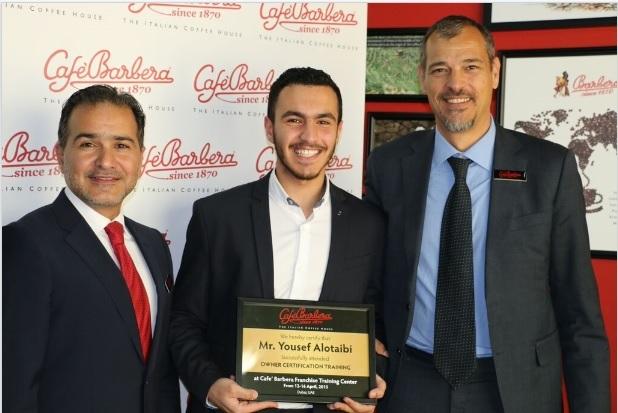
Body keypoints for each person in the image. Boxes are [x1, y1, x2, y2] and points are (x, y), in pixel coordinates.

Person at [365, 15, 609, 413]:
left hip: (516, 390)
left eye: (470, 67)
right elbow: (369, 280)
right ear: (422, 77)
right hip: (411, 386)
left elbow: (579, 312)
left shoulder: (550, 169)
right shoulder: (389, 166)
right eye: (440, 69)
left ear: (494, 72)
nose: (455, 84)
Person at [169, 67, 386, 413]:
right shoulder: (217, 216)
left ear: (339, 130)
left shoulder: (369, 224)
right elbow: (183, 320)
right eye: (294, 120)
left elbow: (379, 328)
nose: (309, 136)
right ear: (270, 128)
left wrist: (373, 381)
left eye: (323, 121)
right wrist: (210, 385)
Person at [3, 85, 181, 413]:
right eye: (88, 144)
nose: (106, 161)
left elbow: (159, 371)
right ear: (60, 154)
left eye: (121, 145)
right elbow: (15, 384)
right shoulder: (26, 243)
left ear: (141, 157)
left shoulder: (154, 244)